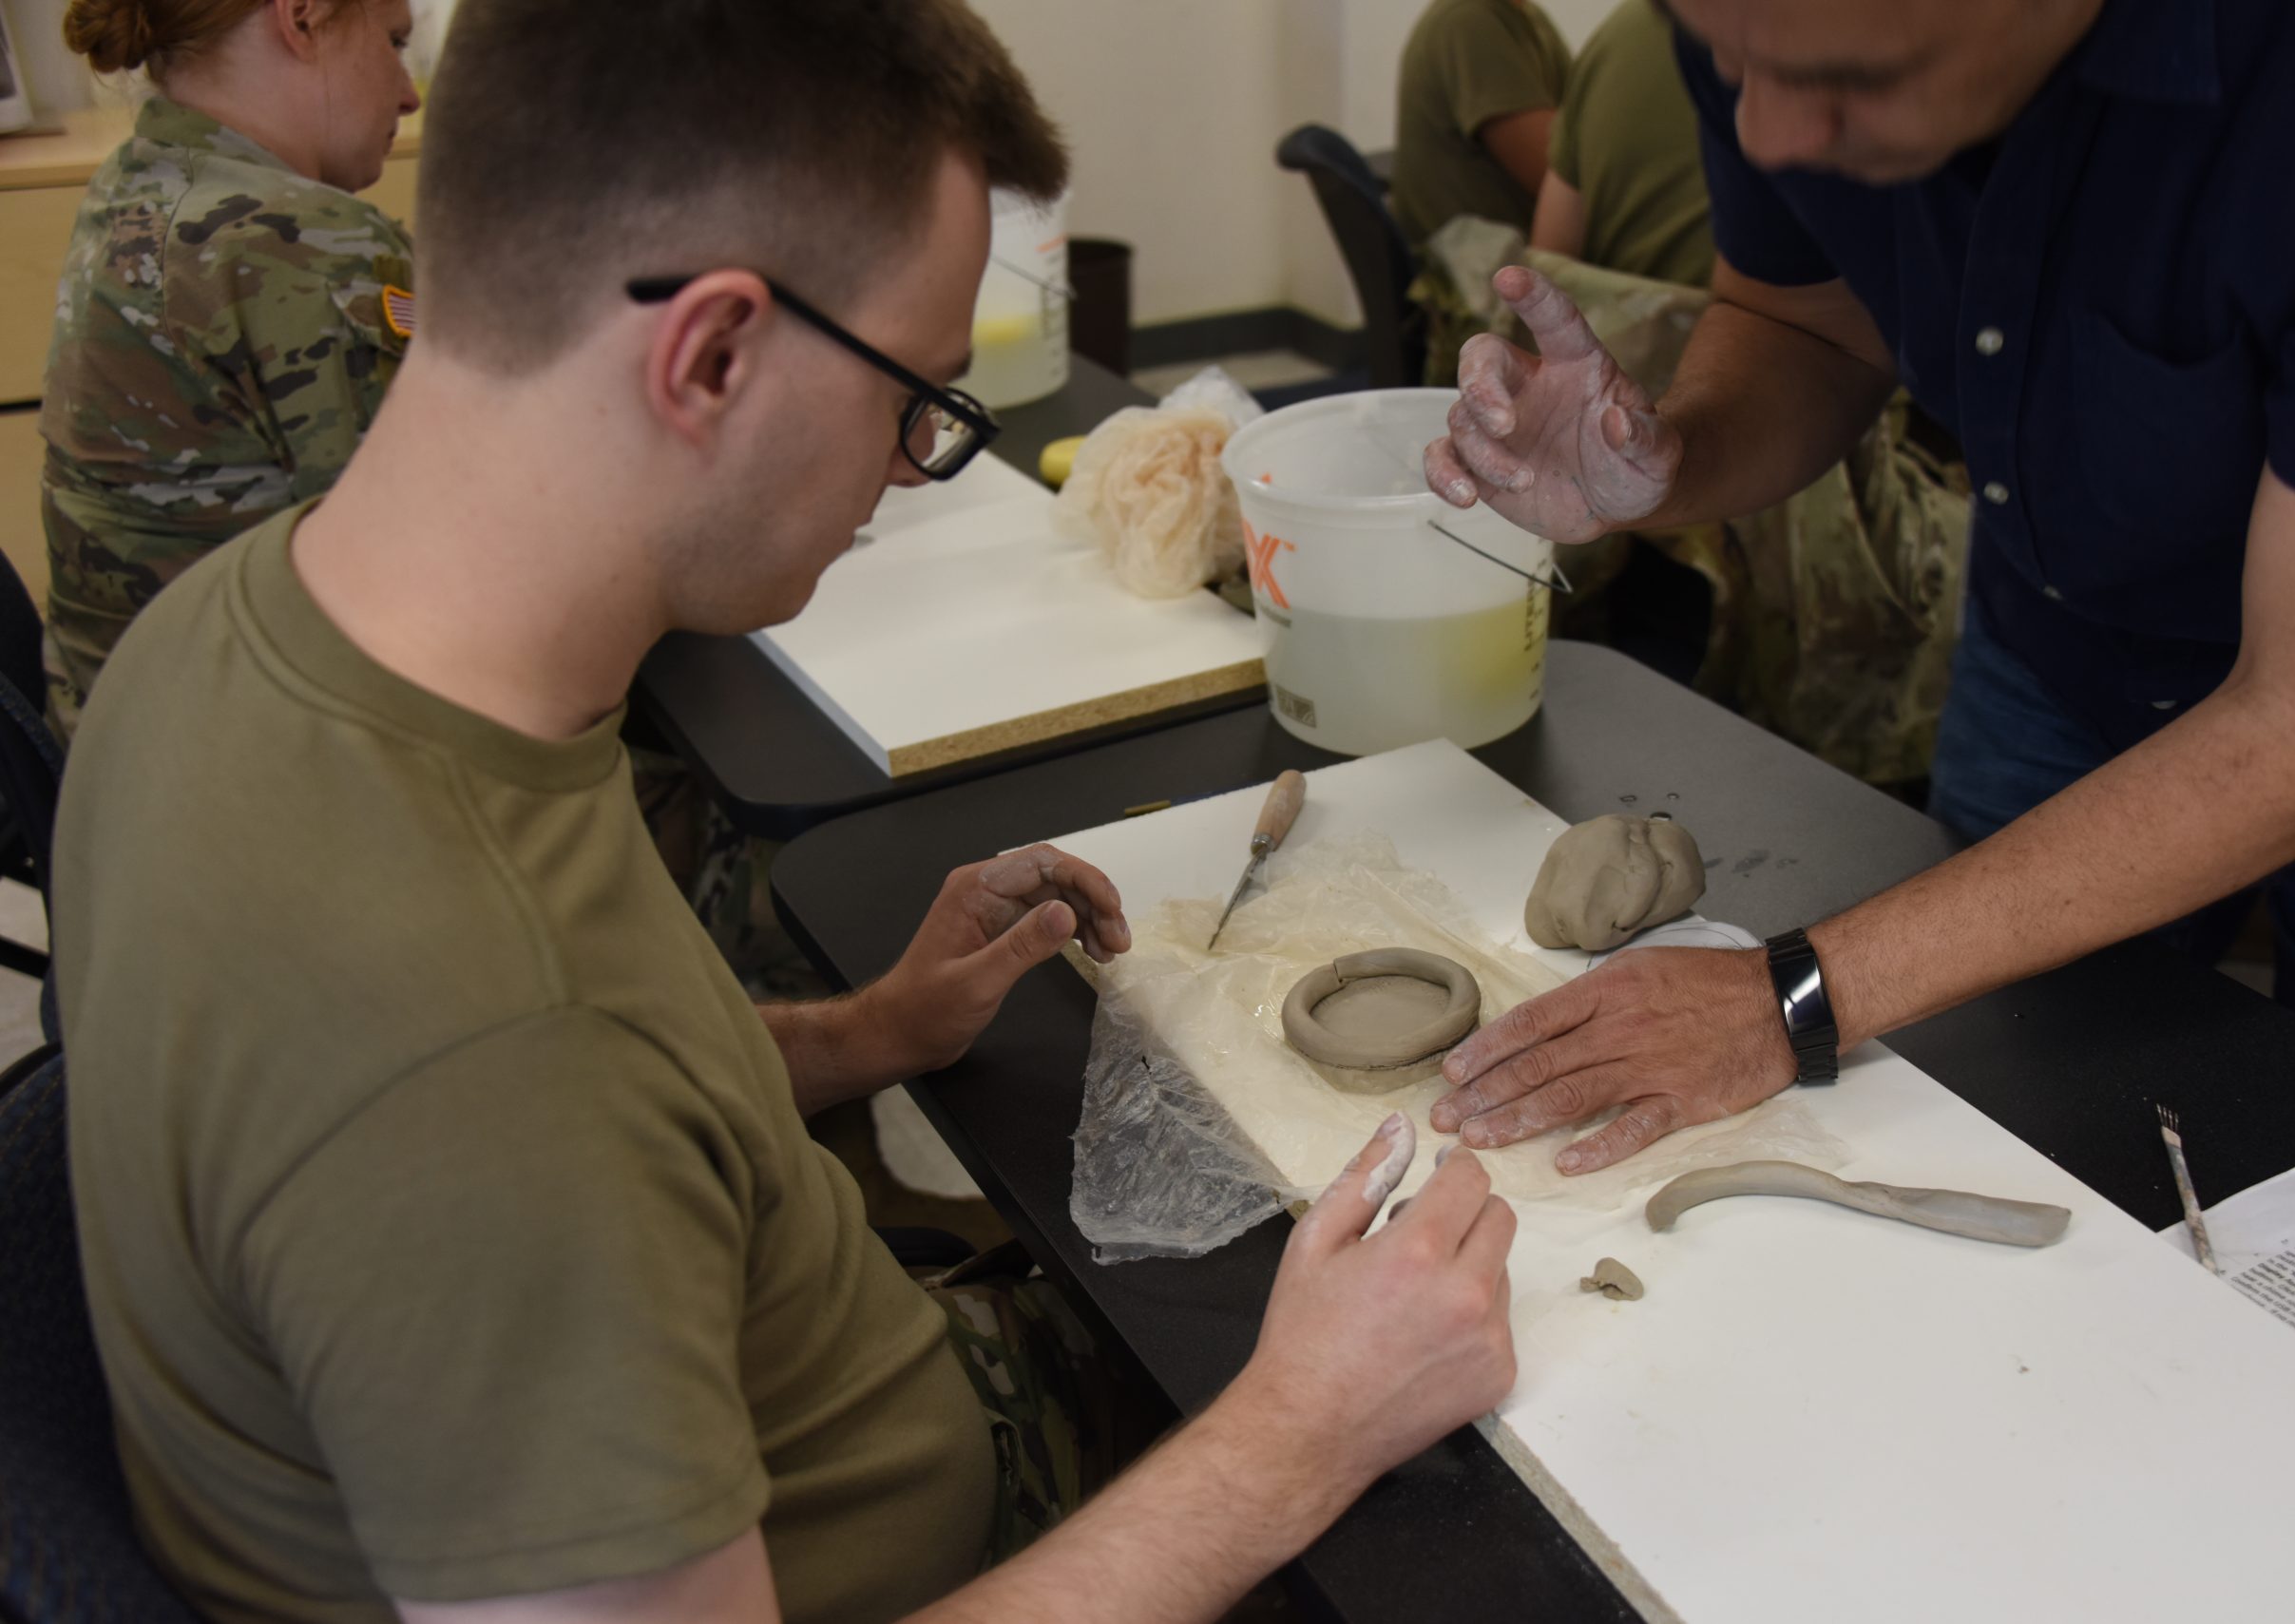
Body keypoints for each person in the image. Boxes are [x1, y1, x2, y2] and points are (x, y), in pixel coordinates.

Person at [51, 2, 1518, 1621]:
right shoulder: (486, 1067)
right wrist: (1297, 1438)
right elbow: (528, 1090)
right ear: (712, 355)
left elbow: (604, 1087)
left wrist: (862, 1031)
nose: (906, 466)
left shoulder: (232, 635)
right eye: (914, 400)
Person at [1420, 0, 2295, 1172]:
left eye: (1856, 78)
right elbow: (1807, 321)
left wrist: (1792, 994)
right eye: (1730, 61)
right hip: (2050, 651)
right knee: (2001, 1099)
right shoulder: (1775, 27)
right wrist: (1670, 461)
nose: (1768, 133)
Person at [38, 0, 421, 743]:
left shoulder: (142, 176)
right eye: (394, 42)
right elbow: (423, 593)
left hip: (120, 742)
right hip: (243, 765)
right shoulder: (299, 240)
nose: (409, 95)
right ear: (302, 17)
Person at [1531, 0, 1713, 288]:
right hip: (1735, 306)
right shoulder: (1772, 31)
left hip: (1605, 311)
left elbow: (1549, 257)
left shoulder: (1613, 34)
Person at [1392, 0, 1572, 244]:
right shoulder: (1469, 23)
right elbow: (1561, 177)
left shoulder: (1528, 17)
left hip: (1516, 256)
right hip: (1474, 265)